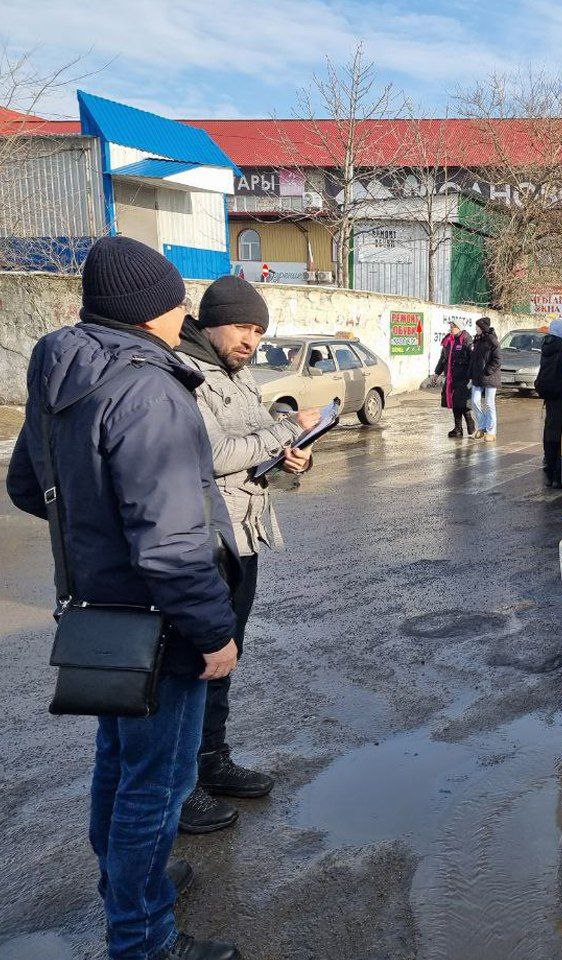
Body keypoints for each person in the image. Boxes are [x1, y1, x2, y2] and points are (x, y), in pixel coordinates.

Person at [5, 236, 241, 960]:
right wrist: (213, 633)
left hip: (99, 617)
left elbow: (26, 486)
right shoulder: (146, 387)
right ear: (150, 311)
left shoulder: (60, 369)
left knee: (118, 763)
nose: (183, 319)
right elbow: (173, 543)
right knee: (157, 785)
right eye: (177, 305)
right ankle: (143, 938)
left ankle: (129, 887)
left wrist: (100, 530)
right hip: (161, 624)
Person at [175, 276, 318, 835]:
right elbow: (208, 453)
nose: (250, 340)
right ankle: (182, 785)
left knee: (227, 656)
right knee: (195, 660)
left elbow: (257, 454)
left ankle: (212, 763)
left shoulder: (242, 377)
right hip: (204, 538)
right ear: (211, 321)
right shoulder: (191, 375)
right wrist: (283, 435)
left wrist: (292, 462)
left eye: (258, 330)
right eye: (242, 327)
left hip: (245, 535)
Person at [535, 318, 562, 487]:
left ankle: (549, 471)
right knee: (560, 435)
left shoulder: (547, 347)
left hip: (549, 396)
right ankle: (558, 476)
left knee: (550, 432)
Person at [434, 320, 474, 438]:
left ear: (459, 328)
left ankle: (471, 427)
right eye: (450, 326)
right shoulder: (448, 340)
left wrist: (472, 376)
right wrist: (437, 373)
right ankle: (458, 429)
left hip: (463, 377)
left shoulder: (466, 340)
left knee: (462, 404)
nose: (450, 329)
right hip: (451, 377)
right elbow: (443, 359)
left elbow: (472, 359)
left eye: (453, 327)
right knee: (454, 403)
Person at [468, 316, 502, 441]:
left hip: (490, 377)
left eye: (477, 327)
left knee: (489, 403)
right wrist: (470, 374)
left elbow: (498, 358)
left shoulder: (492, 340)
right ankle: (482, 427)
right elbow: (473, 359)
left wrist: (488, 370)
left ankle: (491, 431)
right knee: (475, 401)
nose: (476, 329)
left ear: (483, 327)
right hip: (477, 376)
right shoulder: (477, 339)